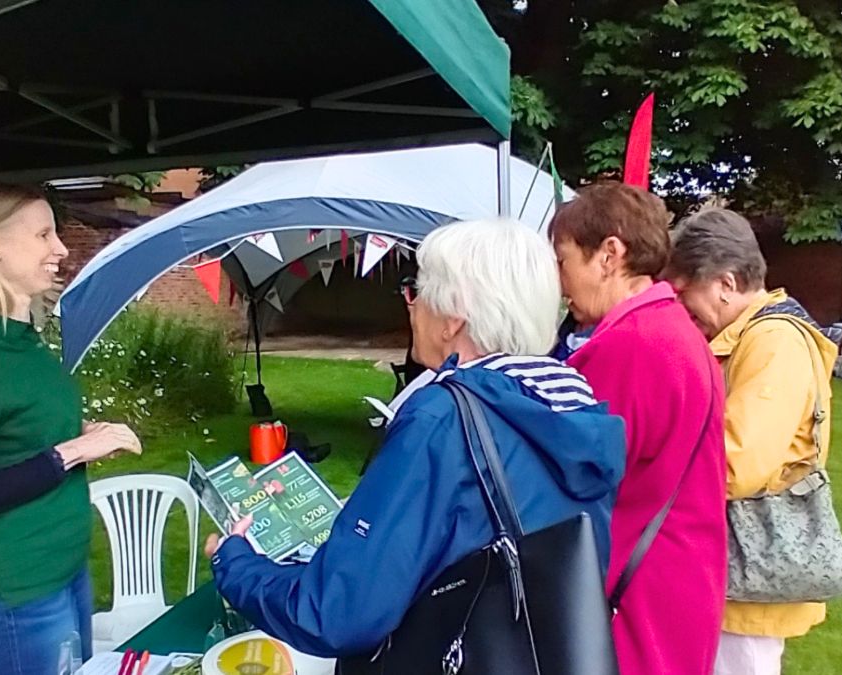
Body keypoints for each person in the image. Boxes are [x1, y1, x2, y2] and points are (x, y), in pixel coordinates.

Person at [205, 218, 627, 658]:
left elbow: (338, 612)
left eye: (416, 290)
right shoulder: (574, 407)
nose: (410, 306)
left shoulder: (443, 417)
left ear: (453, 319)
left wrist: (235, 563)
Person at [0, 182, 142, 675]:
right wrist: (72, 450)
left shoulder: (23, 344)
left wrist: (78, 431)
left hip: (63, 567)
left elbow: (19, 429)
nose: (60, 249)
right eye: (43, 235)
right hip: (18, 585)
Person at [549, 183, 728, 675]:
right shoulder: (670, 329)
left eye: (563, 260)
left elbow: (578, 478)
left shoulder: (631, 344)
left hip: (639, 588)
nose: (560, 282)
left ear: (610, 254)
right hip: (677, 574)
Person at [664, 208, 840, 675]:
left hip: (749, 571)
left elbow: (737, 463)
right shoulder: (753, 335)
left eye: (687, 293)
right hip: (738, 570)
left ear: (724, 283)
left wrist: (653, 466)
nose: (682, 309)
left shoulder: (773, 342)